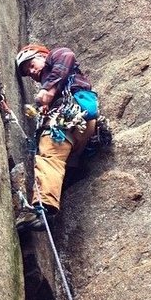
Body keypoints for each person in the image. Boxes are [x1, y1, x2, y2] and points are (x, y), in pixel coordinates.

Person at [15, 44, 99, 232]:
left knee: (49, 156)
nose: (31, 71)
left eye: (30, 64)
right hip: (83, 126)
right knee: (61, 162)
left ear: (42, 55)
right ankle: (71, 172)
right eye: (27, 72)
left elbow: (66, 56)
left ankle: (42, 210)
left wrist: (49, 90)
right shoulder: (59, 80)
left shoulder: (56, 55)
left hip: (69, 117)